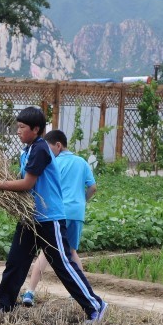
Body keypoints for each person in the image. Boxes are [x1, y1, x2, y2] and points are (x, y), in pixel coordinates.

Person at [0, 107, 107, 320]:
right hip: (30, 216)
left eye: (22, 127)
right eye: (18, 126)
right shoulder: (29, 150)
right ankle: (4, 306)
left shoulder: (41, 149)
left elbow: (27, 183)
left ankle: (95, 306)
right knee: (16, 261)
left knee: (63, 265)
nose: (18, 131)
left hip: (49, 218)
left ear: (36, 129)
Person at [21, 129, 96, 306]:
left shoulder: (53, 161)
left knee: (46, 252)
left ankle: (30, 292)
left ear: (58, 145)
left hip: (56, 212)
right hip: (77, 212)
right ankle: (80, 293)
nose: (46, 151)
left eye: (49, 147)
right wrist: (81, 202)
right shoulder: (82, 162)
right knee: (71, 252)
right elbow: (93, 188)